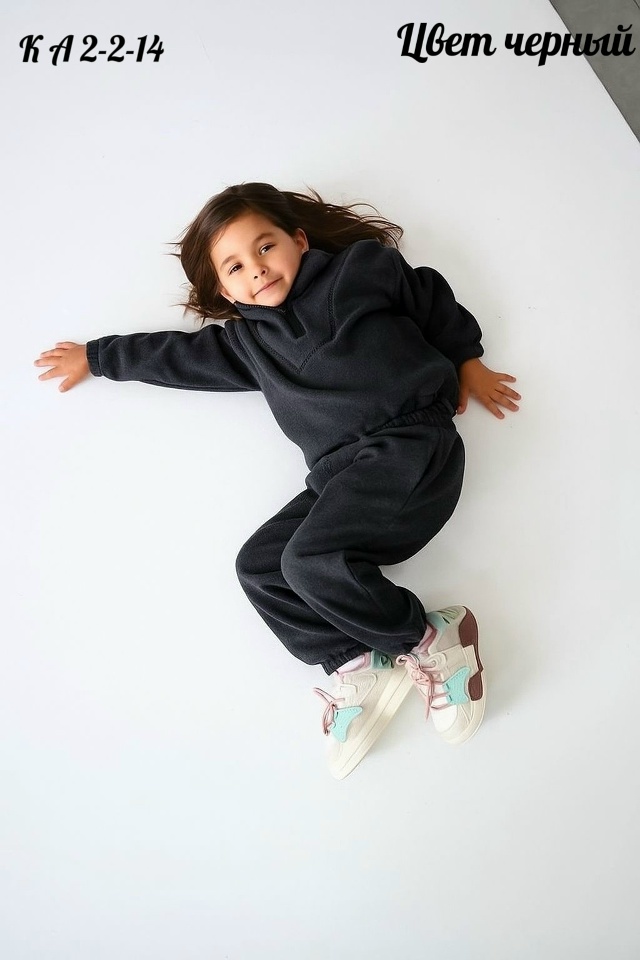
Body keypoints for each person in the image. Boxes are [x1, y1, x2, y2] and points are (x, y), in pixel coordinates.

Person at [34, 182, 520, 780]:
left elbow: (429, 297)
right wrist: (97, 356)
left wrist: (468, 360)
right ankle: (354, 661)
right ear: (223, 290)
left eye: (265, 247)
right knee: (261, 567)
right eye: (235, 267)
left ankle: (429, 639)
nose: (257, 269)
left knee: (308, 561)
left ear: (299, 240)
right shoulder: (247, 344)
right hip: (340, 475)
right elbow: (173, 355)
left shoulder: (360, 271)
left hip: (411, 447)